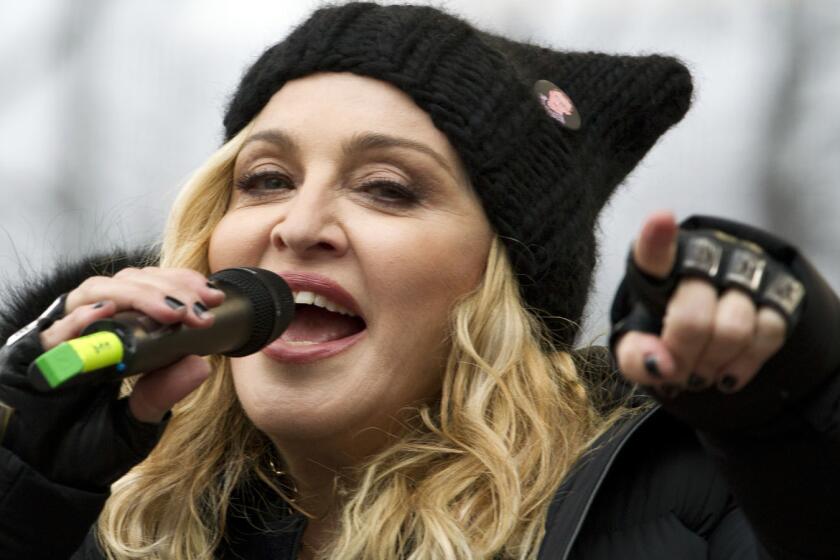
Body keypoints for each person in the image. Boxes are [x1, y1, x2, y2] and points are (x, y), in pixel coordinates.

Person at [0, 3, 837, 559]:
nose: (298, 223)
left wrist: (802, 425)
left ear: (500, 284)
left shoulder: (694, 499)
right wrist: (23, 491)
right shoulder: (114, 513)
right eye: (264, 179)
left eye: (387, 189)